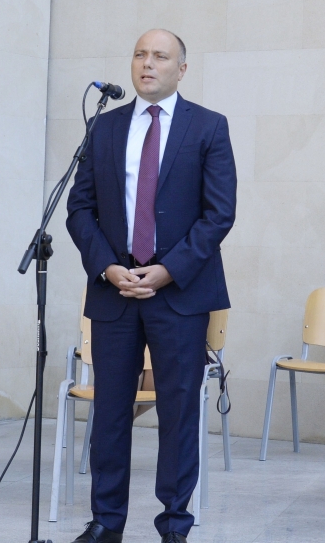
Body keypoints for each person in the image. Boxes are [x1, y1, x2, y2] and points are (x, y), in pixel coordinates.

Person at [65, 29, 236, 543]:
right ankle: (105, 522)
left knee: (179, 413)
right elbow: (79, 208)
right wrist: (105, 266)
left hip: (180, 294)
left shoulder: (208, 126)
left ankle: (174, 524)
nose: (147, 63)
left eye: (160, 56)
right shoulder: (104, 127)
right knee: (110, 413)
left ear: (181, 70)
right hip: (115, 291)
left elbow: (219, 214)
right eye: (140, 54)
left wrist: (169, 269)